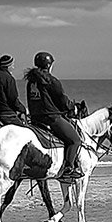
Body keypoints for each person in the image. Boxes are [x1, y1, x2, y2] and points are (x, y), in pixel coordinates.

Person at [24, 51, 84, 179]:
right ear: (48, 65)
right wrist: (71, 107)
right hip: (51, 118)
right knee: (75, 140)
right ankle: (68, 168)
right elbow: (61, 99)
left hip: (35, 118)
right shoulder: (51, 80)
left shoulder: (31, 82)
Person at [0, 54, 27, 126]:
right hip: (7, 115)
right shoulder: (8, 78)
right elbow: (13, 99)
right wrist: (23, 109)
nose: (13, 67)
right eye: (12, 65)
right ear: (8, 66)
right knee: (25, 130)